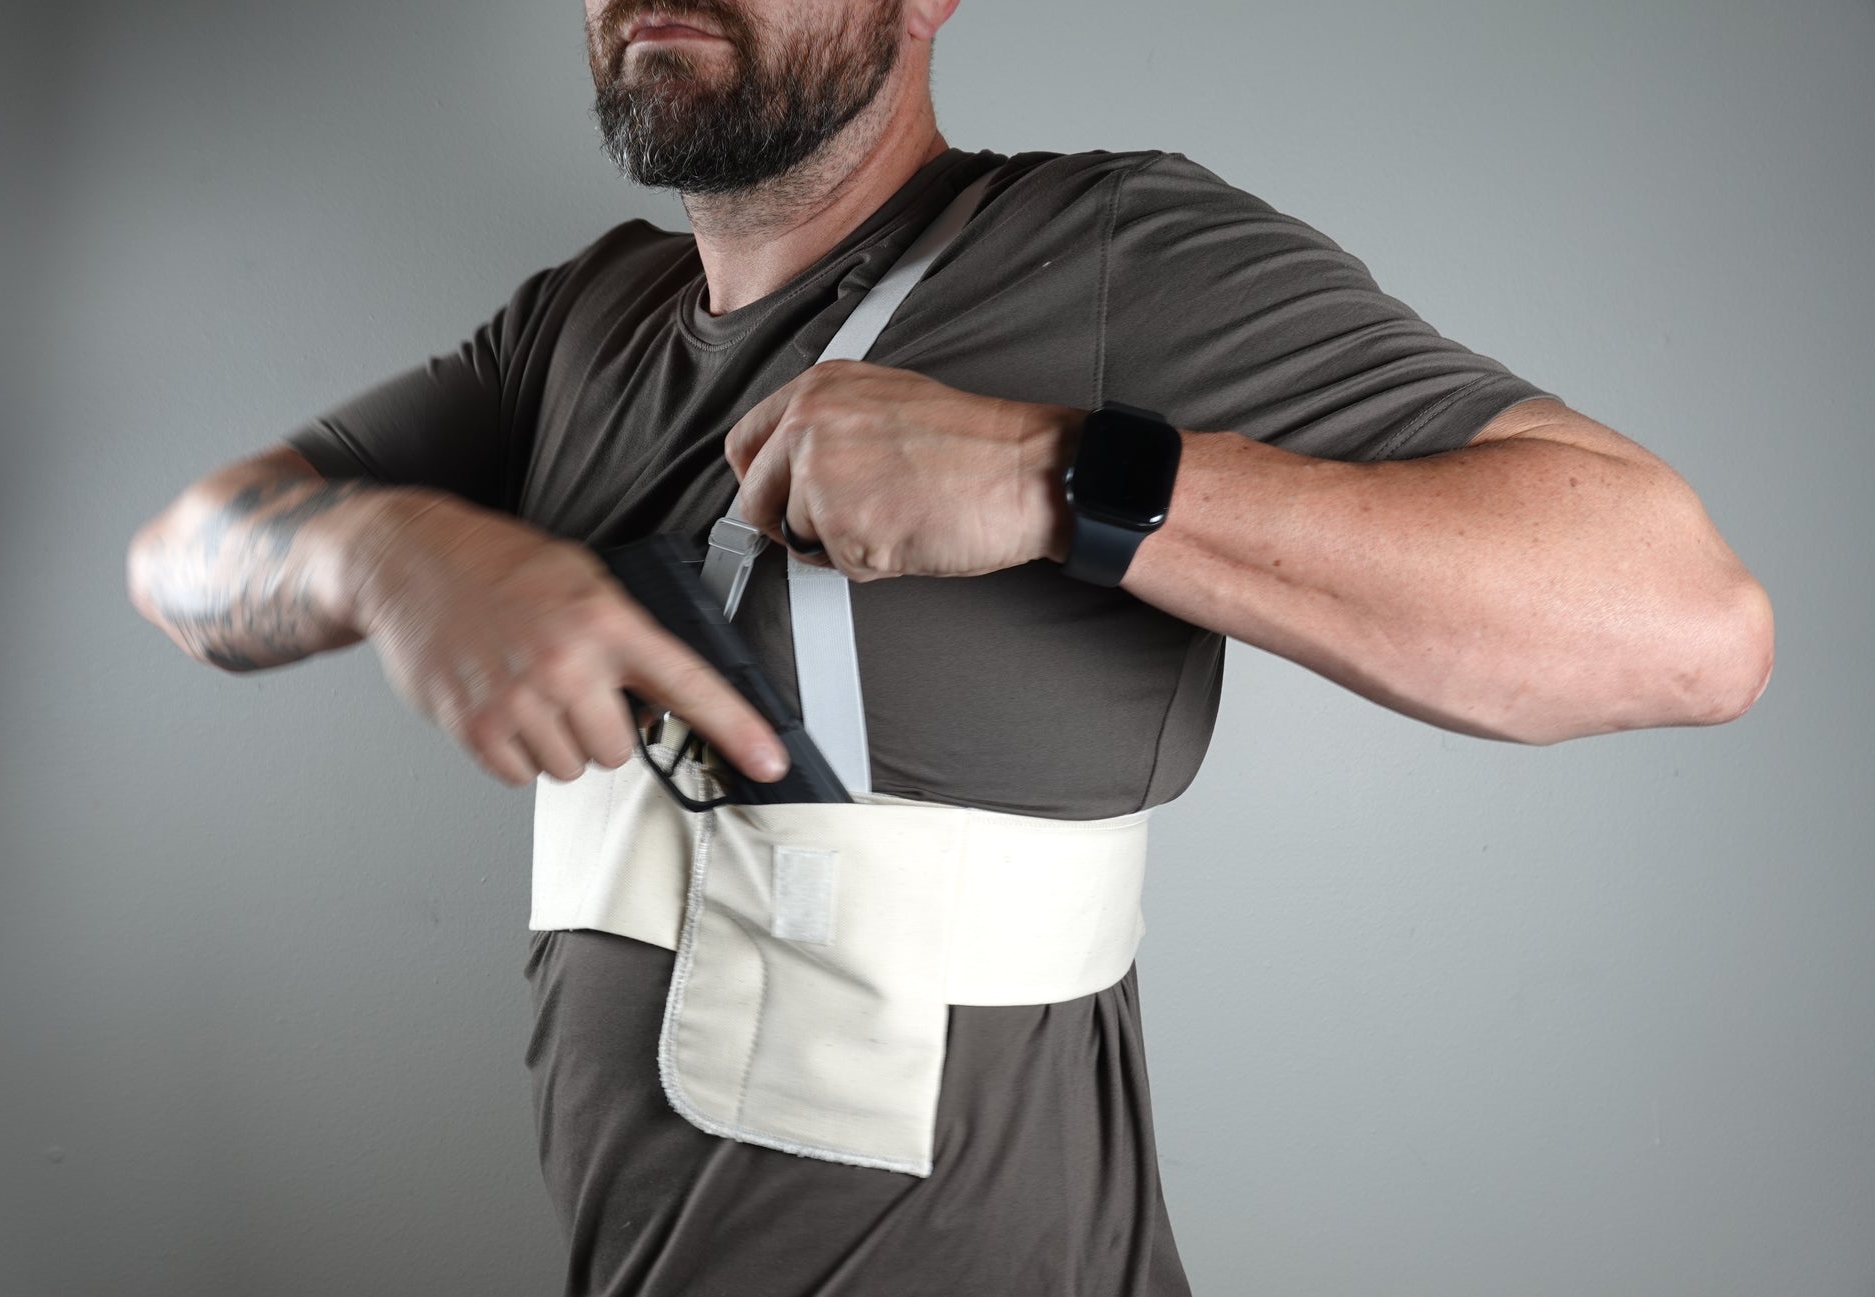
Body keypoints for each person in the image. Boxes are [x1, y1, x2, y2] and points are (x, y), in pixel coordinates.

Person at [126, 0, 1775, 1291]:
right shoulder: (578, 324)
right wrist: (383, 551)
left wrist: (1061, 475)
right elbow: (184, 555)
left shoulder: (1107, 252)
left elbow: (1686, 624)